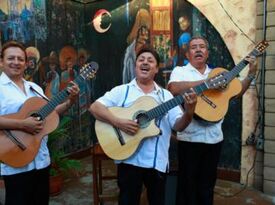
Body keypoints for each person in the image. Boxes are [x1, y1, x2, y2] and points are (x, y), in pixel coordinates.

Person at [89, 46, 197, 205]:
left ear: (156, 69)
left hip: (157, 162)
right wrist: (118, 122)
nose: (145, 62)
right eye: (141, 60)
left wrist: (189, 112)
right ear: (135, 66)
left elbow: (178, 126)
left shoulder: (166, 96)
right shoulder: (122, 91)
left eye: (150, 60)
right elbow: (95, 107)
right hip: (128, 159)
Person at [167, 36, 257, 205]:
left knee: (207, 188)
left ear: (208, 53)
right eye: (194, 47)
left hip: (214, 139)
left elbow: (236, 93)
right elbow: (173, 88)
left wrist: (250, 75)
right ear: (187, 54)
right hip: (190, 138)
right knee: (187, 188)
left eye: (202, 47)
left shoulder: (218, 73)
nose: (198, 49)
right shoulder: (181, 71)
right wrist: (207, 83)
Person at [0, 40, 80, 205]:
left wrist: (70, 101)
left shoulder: (34, 88)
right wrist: (22, 125)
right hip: (15, 158)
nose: (16, 62)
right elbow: (26, 123)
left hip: (41, 160)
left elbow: (49, 114)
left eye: (20, 59)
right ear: (1, 61)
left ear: (26, 63)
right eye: (11, 58)